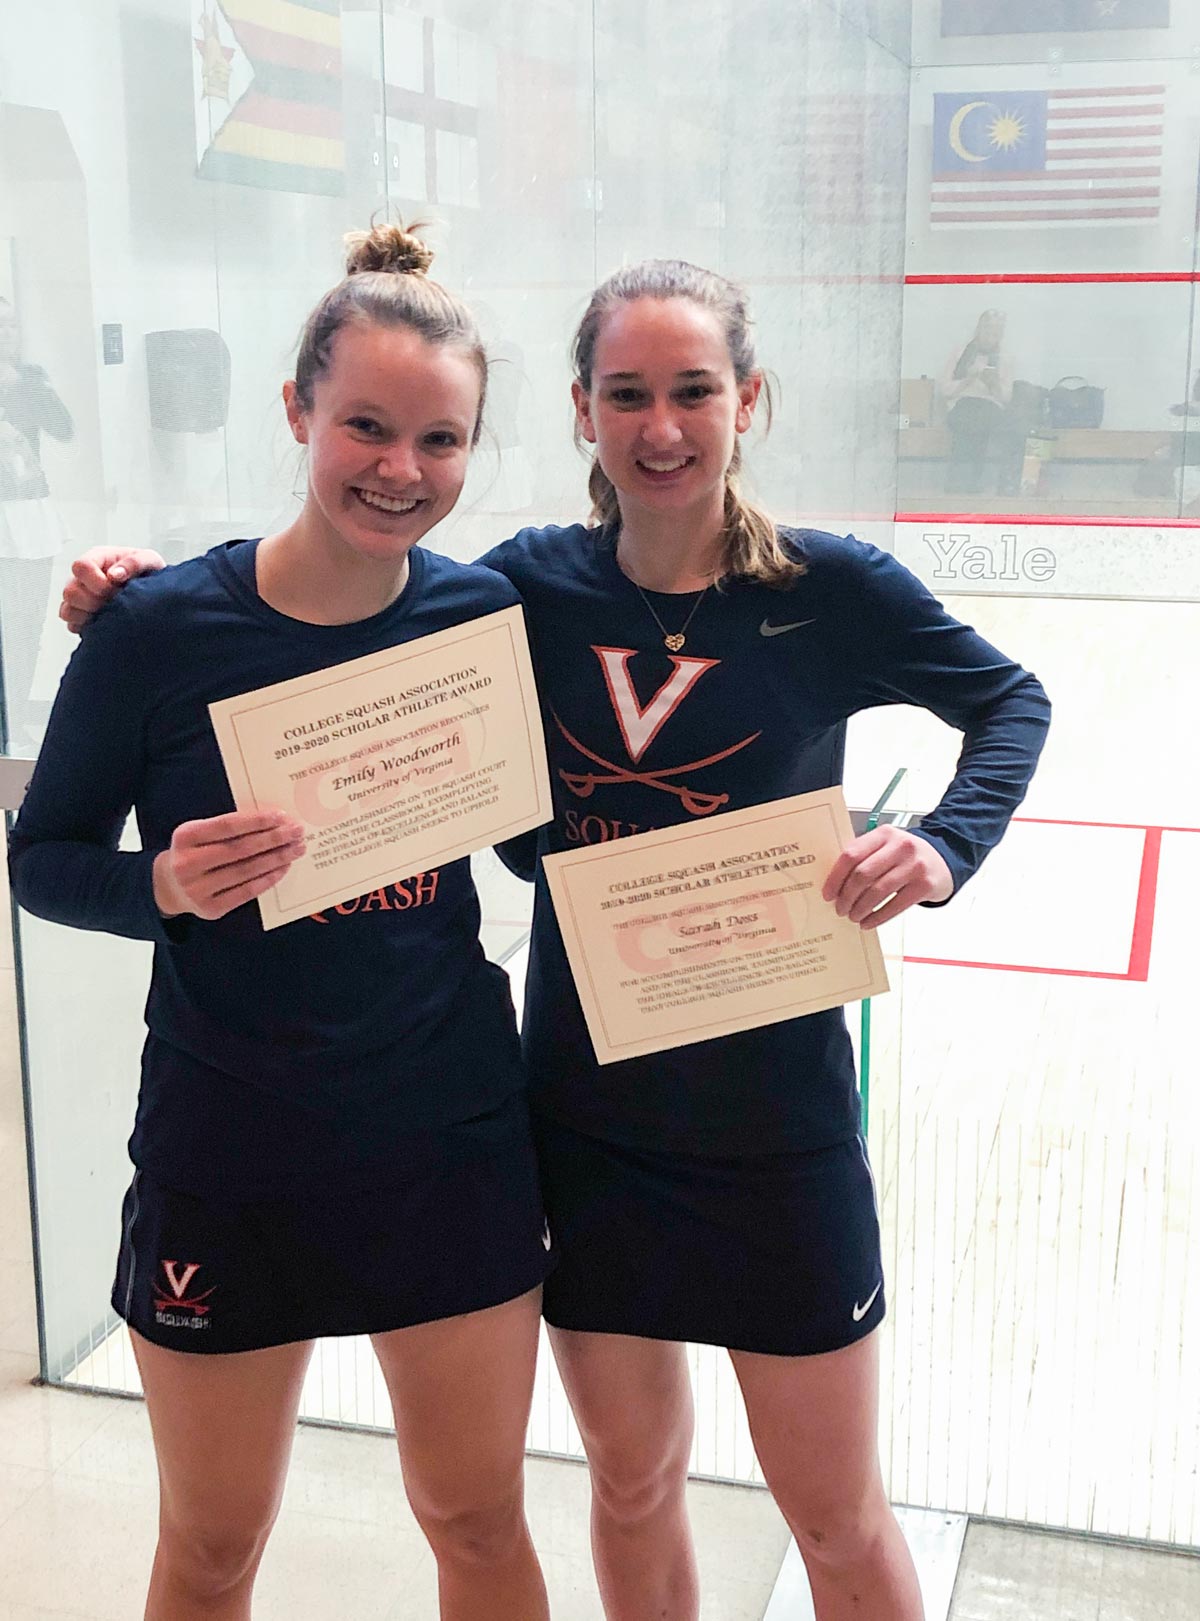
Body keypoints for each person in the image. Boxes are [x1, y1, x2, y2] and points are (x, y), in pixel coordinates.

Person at [62, 257, 1051, 1621]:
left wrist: (944, 846)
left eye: (694, 391)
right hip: (581, 1114)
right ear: (582, 412)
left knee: (829, 1513)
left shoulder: (815, 590)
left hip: (764, 1121)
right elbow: (341, 620)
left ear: (747, 399)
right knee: (630, 1483)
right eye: (627, 395)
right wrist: (144, 603)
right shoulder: (521, 592)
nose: (662, 427)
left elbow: (1010, 702)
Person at [12, 224, 554, 1621]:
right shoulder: (153, 629)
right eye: (366, 425)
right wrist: (163, 889)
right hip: (228, 1147)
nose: (400, 469)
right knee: (209, 1549)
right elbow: (43, 857)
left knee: (481, 1520)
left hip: (449, 1136)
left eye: (441, 441)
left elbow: (529, 839)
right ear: (298, 409)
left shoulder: (479, 614)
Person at [0, 294, 74, 747]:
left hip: (29, 516)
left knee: (27, 624)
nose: (6, 334)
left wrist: (33, 388)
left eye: (10, 324)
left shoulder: (28, 381)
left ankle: (16, 717)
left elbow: (64, 429)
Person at [939, 308, 1020, 497]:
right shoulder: (960, 352)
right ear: (978, 329)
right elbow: (945, 390)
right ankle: (970, 481)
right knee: (970, 415)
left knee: (980, 416)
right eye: (988, 330)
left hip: (990, 406)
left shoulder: (1006, 358)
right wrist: (969, 379)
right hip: (962, 404)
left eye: (997, 332)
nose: (992, 336)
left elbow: (1006, 398)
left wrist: (993, 384)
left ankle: (958, 479)